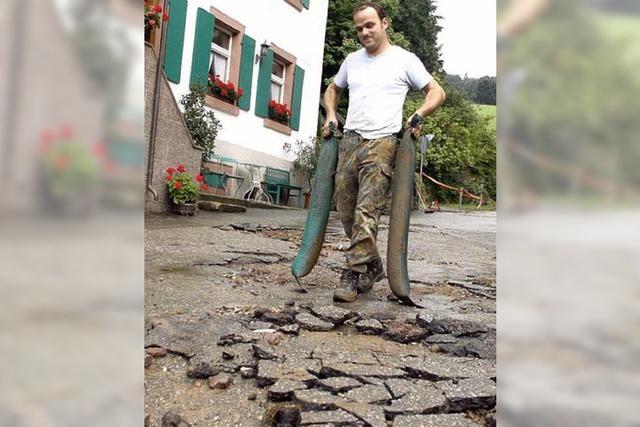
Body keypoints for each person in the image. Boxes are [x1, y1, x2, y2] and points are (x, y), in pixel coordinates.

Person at [322, 2, 446, 303]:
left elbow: (437, 91)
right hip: (350, 140)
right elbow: (332, 90)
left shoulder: (404, 60)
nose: (364, 32)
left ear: (384, 23)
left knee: (368, 210)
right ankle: (374, 264)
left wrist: (418, 114)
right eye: (359, 28)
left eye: (370, 25)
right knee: (346, 209)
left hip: (383, 143)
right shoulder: (351, 61)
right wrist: (330, 113)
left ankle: (351, 274)